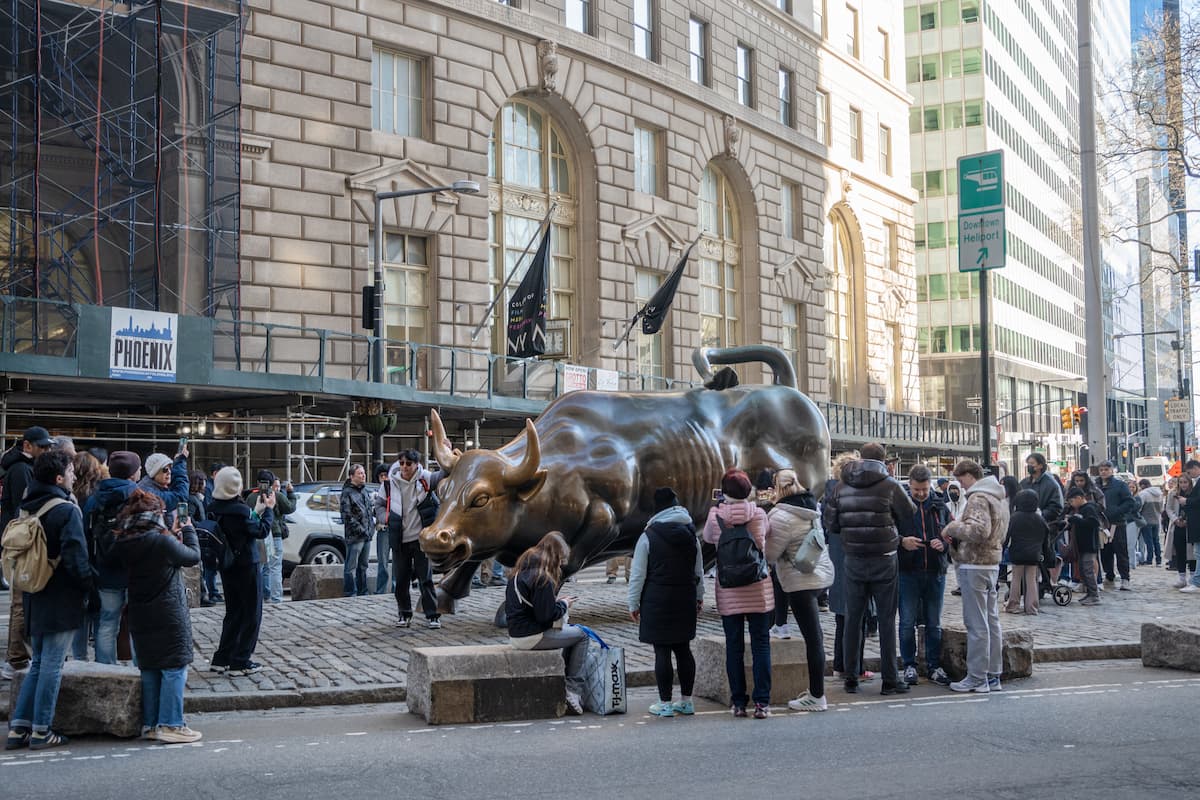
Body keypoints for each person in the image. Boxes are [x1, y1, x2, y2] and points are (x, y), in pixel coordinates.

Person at [5, 450, 93, 751]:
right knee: (52, 665)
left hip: (34, 593)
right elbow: (76, 557)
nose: (74, 475)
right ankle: (42, 730)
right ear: (58, 478)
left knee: (39, 663)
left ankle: (19, 727)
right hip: (61, 597)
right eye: (70, 471)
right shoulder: (66, 510)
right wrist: (88, 588)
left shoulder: (28, 506)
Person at [105, 489, 203, 743]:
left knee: (149, 667)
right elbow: (192, 556)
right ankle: (171, 723)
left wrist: (169, 533)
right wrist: (188, 530)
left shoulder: (123, 541)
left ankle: (150, 724)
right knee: (174, 666)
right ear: (155, 513)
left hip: (140, 611)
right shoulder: (161, 541)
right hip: (168, 612)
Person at [823, 443, 914, 696]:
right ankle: (890, 679)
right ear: (883, 460)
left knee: (853, 619)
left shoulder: (841, 487)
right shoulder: (890, 485)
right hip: (884, 557)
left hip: (854, 558)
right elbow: (909, 512)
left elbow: (831, 523)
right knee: (886, 620)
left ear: (861, 458)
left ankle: (851, 677)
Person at [702, 467, 773, 718]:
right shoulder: (759, 514)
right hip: (757, 587)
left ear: (724, 492)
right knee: (761, 644)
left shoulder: (715, 516)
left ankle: (739, 702)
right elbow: (767, 536)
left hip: (729, 588)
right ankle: (762, 703)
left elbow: (708, 538)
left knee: (734, 646)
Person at [628, 487, 703, 717]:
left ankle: (665, 703)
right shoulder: (691, 534)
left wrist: (633, 604)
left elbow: (638, 575)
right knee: (683, 649)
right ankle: (687, 701)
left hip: (657, 599)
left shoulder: (648, 536)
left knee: (662, 651)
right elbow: (698, 570)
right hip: (685, 596)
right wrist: (699, 596)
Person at [765, 470, 833, 712]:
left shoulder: (781, 515)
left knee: (813, 640)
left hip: (799, 582)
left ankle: (817, 696)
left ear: (778, 488)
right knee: (816, 637)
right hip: (819, 575)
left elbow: (770, 554)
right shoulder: (812, 507)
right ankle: (816, 692)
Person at [942, 459, 1009, 693]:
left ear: (970, 475)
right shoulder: (997, 496)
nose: (960, 485)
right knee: (991, 621)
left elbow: (979, 530)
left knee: (976, 623)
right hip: (991, 563)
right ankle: (993, 674)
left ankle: (977, 677)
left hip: (974, 564)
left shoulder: (978, 497)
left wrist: (952, 527)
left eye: (961, 479)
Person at [505, 531, 587, 715]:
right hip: (532, 636)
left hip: (517, 634)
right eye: (561, 559)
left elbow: (536, 607)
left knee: (572, 634)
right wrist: (564, 604)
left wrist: (556, 602)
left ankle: (566, 682)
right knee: (582, 635)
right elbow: (546, 617)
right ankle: (573, 689)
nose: (562, 564)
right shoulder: (542, 578)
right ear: (555, 556)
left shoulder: (519, 573)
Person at [207, 466, 273, 676]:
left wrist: (256, 512)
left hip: (227, 565)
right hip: (246, 564)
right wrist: (269, 510)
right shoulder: (240, 510)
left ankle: (222, 658)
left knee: (233, 612)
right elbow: (260, 531)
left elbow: (244, 527)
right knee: (252, 613)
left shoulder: (214, 507)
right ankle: (241, 660)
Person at [1, 426, 56, 679]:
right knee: (20, 603)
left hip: (21, 542)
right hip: (22, 544)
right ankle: (16, 659)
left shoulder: (22, 467)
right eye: (42, 446)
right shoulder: (22, 470)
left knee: (21, 602)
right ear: (27, 446)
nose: (46, 450)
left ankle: (17, 657)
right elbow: (23, 509)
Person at [80, 450, 142, 665]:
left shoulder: (95, 498)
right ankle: (140, 669)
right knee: (137, 624)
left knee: (107, 622)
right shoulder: (139, 496)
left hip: (105, 570)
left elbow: (86, 534)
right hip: (135, 570)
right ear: (132, 473)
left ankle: (105, 669)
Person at [823, 451, 874, 685]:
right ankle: (855, 667)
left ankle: (840, 665)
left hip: (838, 559)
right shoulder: (852, 495)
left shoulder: (831, 493)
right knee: (856, 617)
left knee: (842, 618)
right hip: (854, 559)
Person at [899, 465, 951, 687]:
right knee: (907, 621)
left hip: (935, 571)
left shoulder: (940, 505)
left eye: (924, 489)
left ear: (930, 486)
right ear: (909, 485)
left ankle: (933, 666)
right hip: (908, 571)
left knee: (934, 622)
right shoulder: (900, 505)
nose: (921, 493)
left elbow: (951, 533)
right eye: (916, 490)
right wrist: (902, 541)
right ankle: (909, 665)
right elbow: (889, 532)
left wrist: (943, 543)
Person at [386, 449, 443, 628]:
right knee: (401, 580)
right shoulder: (390, 483)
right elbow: (379, 504)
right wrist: (386, 518)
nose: (404, 467)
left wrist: (444, 450)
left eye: (408, 464)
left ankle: (432, 615)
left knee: (425, 579)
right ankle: (404, 614)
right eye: (402, 463)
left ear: (416, 464)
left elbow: (443, 475)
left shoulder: (425, 479)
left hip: (420, 538)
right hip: (399, 538)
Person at [69, 451, 107, 661]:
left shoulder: (69, 496)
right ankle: (101, 661)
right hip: (97, 560)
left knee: (80, 613)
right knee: (100, 614)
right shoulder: (99, 496)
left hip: (77, 560)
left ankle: (79, 658)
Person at [246, 471, 294, 605]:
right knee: (275, 567)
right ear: (272, 483)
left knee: (259, 567)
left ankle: (260, 597)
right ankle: (276, 598)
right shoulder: (276, 496)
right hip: (274, 534)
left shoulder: (251, 497)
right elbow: (290, 507)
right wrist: (290, 493)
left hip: (257, 535)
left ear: (257, 482)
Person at [1004, 489, 1050, 615]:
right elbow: (1046, 537)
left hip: (1017, 552)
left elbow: (1006, 536)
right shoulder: (1039, 518)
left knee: (1016, 579)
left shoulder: (1015, 517)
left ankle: (1013, 605)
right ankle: (1032, 607)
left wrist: (1002, 548)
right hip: (1034, 554)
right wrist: (1045, 553)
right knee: (1032, 580)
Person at [1095, 461, 1137, 591]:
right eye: (1101, 470)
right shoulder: (1095, 486)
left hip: (1117, 523)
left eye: (1106, 469)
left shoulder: (1120, 485)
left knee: (1121, 551)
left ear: (1111, 470)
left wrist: (1117, 511)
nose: (1103, 472)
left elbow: (1129, 502)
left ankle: (1125, 578)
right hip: (1102, 524)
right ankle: (1109, 574)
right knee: (1105, 551)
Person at [1065, 487, 1104, 605]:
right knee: (1082, 570)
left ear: (1079, 498)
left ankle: (1094, 595)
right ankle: (1089, 593)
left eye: (1072, 501)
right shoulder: (1081, 509)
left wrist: (1076, 520)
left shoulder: (1089, 508)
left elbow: (1094, 523)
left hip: (1089, 545)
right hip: (1082, 545)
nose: (1071, 504)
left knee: (1088, 570)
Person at [339, 464, 373, 597]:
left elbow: (369, 511)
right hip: (355, 536)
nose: (363, 475)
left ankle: (363, 592)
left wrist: (370, 530)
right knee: (351, 567)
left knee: (363, 566)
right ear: (352, 476)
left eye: (363, 473)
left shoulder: (364, 491)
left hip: (367, 535)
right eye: (360, 473)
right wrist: (361, 530)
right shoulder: (347, 492)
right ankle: (350, 593)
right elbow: (346, 516)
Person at [188, 470, 220, 606]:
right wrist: (201, 526)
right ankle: (202, 595)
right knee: (201, 567)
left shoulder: (198, 499)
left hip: (200, 536)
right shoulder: (192, 499)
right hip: (197, 536)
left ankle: (205, 594)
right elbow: (190, 518)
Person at [1018, 453, 1064, 526]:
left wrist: (1040, 515)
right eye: (1028, 463)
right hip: (1025, 523)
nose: (1029, 466)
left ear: (1040, 465)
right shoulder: (1024, 483)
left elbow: (1056, 507)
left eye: (1032, 463)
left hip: (1044, 524)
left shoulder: (1051, 484)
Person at [1165, 475, 1195, 588]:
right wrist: (1175, 519)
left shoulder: (1194, 493)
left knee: (1192, 553)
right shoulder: (1173, 493)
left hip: (1191, 526)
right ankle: (1182, 577)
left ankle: (1193, 577)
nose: (1183, 485)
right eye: (1181, 482)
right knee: (1179, 551)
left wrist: (1189, 520)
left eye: (1185, 482)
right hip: (1177, 525)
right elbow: (1169, 508)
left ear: (1189, 483)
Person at [371, 463, 391, 594]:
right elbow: (373, 512)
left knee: (397, 562)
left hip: (395, 529)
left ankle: (396, 588)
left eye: (386, 475)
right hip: (383, 530)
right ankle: (381, 590)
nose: (383, 478)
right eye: (381, 476)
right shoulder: (375, 494)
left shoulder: (396, 490)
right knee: (382, 563)